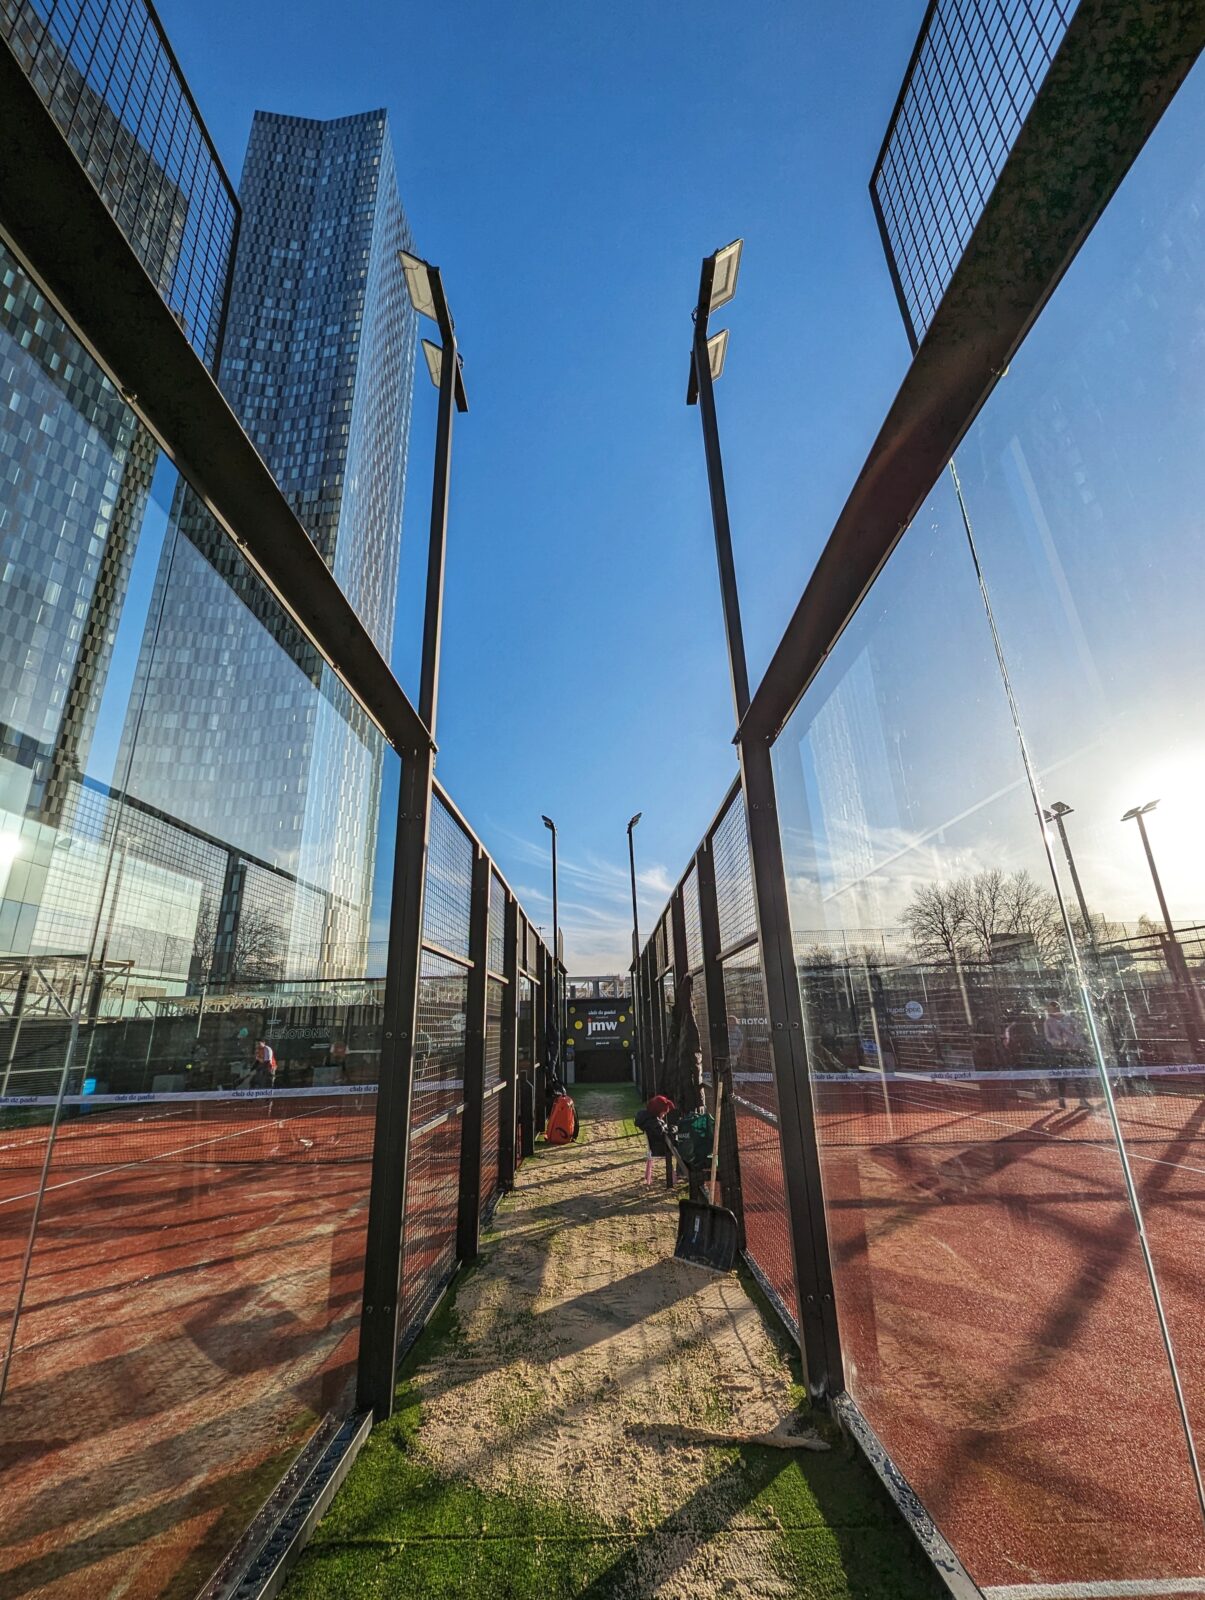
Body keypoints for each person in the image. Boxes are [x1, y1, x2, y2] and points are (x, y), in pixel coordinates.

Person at [1042, 1001, 1091, 1109]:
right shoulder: (1048, 1022)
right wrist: (1057, 1042)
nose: (1052, 1010)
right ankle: (1061, 1100)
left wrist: (1077, 1044)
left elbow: (1077, 1032)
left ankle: (1082, 1100)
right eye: (1050, 1008)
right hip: (1059, 1052)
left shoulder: (1069, 1019)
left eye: (1055, 1007)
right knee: (1061, 1076)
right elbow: (1048, 1037)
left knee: (1079, 1075)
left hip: (1073, 1050)